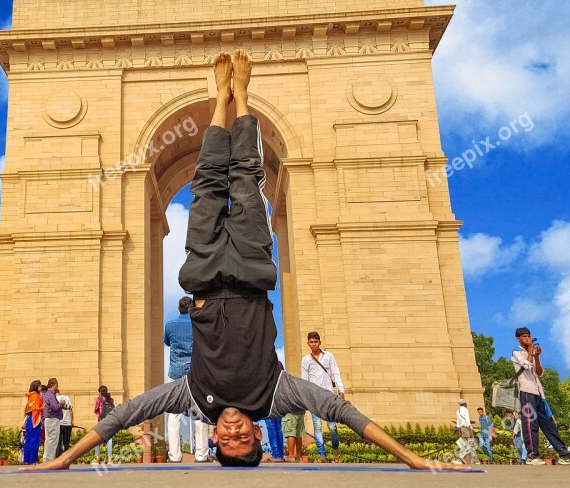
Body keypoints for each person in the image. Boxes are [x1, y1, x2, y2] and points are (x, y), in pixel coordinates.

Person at [33, 51, 464, 471]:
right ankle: (241, 96)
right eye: (244, 439)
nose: (235, 431)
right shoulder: (275, 396)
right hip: (252, 268)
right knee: (245, 178)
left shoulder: (192, 396)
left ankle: (220, 100)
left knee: (205, 185)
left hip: (201, 275)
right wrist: (414, 459)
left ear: (215, 439)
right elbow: (340, 412)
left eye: (228, 440)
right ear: (258, 434)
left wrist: (63, 460)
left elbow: (123, 415)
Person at [511, 327, 570, 465]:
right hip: (526, 392)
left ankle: (564, 454)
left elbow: (539, 372)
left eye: (528, 336)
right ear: (518, 338)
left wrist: (537, 357)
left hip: (538, 393)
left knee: (549, 425)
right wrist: (531, 351)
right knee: (531, 424)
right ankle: (533, 456)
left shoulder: (532, 352)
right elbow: (526, 366)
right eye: (524, 337)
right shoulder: (516, 352)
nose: (527, 338)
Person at [164, 295, 210, 463]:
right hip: (196, 374)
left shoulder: (169, 325)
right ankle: (202, 454)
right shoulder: (198, 325)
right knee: (200, 414)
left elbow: (167, 343)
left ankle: (174, 456)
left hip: (175, 374)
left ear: (178, 308)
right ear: (192, 309)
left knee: (174, 415)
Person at [301, 331, 345, 461]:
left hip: (328, 396)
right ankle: (322, 455)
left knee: (332, 426)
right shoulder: (305, 360)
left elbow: (335, 372)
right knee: (317, 426)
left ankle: (336, 452)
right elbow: (305, 380)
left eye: (316, 342)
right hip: (314, 397)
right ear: (308, 343)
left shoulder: (329, 356)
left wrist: (340, 389)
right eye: (311, 342)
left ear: (320, 342)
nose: (314, 344)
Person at [262, 360, 286, 462]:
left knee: (271, 427)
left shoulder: (263, 364)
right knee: (278, 427)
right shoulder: (279, 363)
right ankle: (280, 454)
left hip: (268, 398)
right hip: (278, 398)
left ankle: (276, 455)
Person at [42, 378, 64, 462]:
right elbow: (55, 407)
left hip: (49, 419)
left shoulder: (46, 394)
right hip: (52, 419)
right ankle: (49, 458)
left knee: (49, 439)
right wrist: (61, 403)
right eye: (57, 385)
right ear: (54, 385)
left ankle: (47, 458)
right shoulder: (50, 395)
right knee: (53, 439)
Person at [22, 380, 43, 465]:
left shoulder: (30, 396)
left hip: (29, 420)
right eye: (40, 386)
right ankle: (32, 460)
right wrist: (42, 408)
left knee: (28, 440)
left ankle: (26, 459)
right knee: (34, 440)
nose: (41, 388)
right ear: (36, 387)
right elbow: (36, 408)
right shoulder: (36, 396)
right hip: (35, 419)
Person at [93, 386, 115, 464]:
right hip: (109, 421)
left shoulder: (98, 400)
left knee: (97, 438)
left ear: (99, 392)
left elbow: (96, 410)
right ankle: (109, 459)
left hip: (101, 421)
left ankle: (97, 458)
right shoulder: (110, 399)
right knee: (110, 439)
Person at [455, 399, 476, 465]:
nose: (467, 404)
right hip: (466, 428)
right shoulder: (465, 410)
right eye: (466, 403)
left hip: (461, 428)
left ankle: (462, 458)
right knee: (470, 443)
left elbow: (458, 422)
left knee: (464, 444)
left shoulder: (457, 411)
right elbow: (467, 419)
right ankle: (461, 456)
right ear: (464, 404)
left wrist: (459, 431)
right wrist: (470, 428)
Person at [55, 391, 74, 458]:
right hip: (67, 423)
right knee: (66, 441)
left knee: (58, 441)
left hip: (59, 423)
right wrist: (72, 421)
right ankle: (66, 456)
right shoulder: (67, 398)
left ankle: (58, 456)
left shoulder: (55, 398)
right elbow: (70, 410)